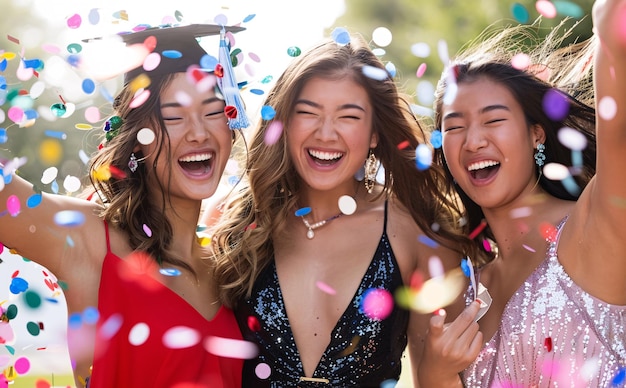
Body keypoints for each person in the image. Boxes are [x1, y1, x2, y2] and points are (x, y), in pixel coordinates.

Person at [211, 31, 482, 387]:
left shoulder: (417, 233)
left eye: (348, 116)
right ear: (285, 123)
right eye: (307, 112)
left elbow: (436, 379)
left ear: (374, 133)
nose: (325, 133)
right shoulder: (238, 222)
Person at [0, 23, 250, 387]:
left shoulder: (231, 267)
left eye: (213, 112)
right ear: (136, 139)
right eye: (173, 117)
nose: (199, 132)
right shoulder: (89, 240)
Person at [418, 1, 626, 386]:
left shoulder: (596, 225)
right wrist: (433, 374)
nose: (474, 141)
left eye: (493, 120)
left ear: (536, 134)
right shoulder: (460, 293)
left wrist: (609, 23)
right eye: (454, 127)